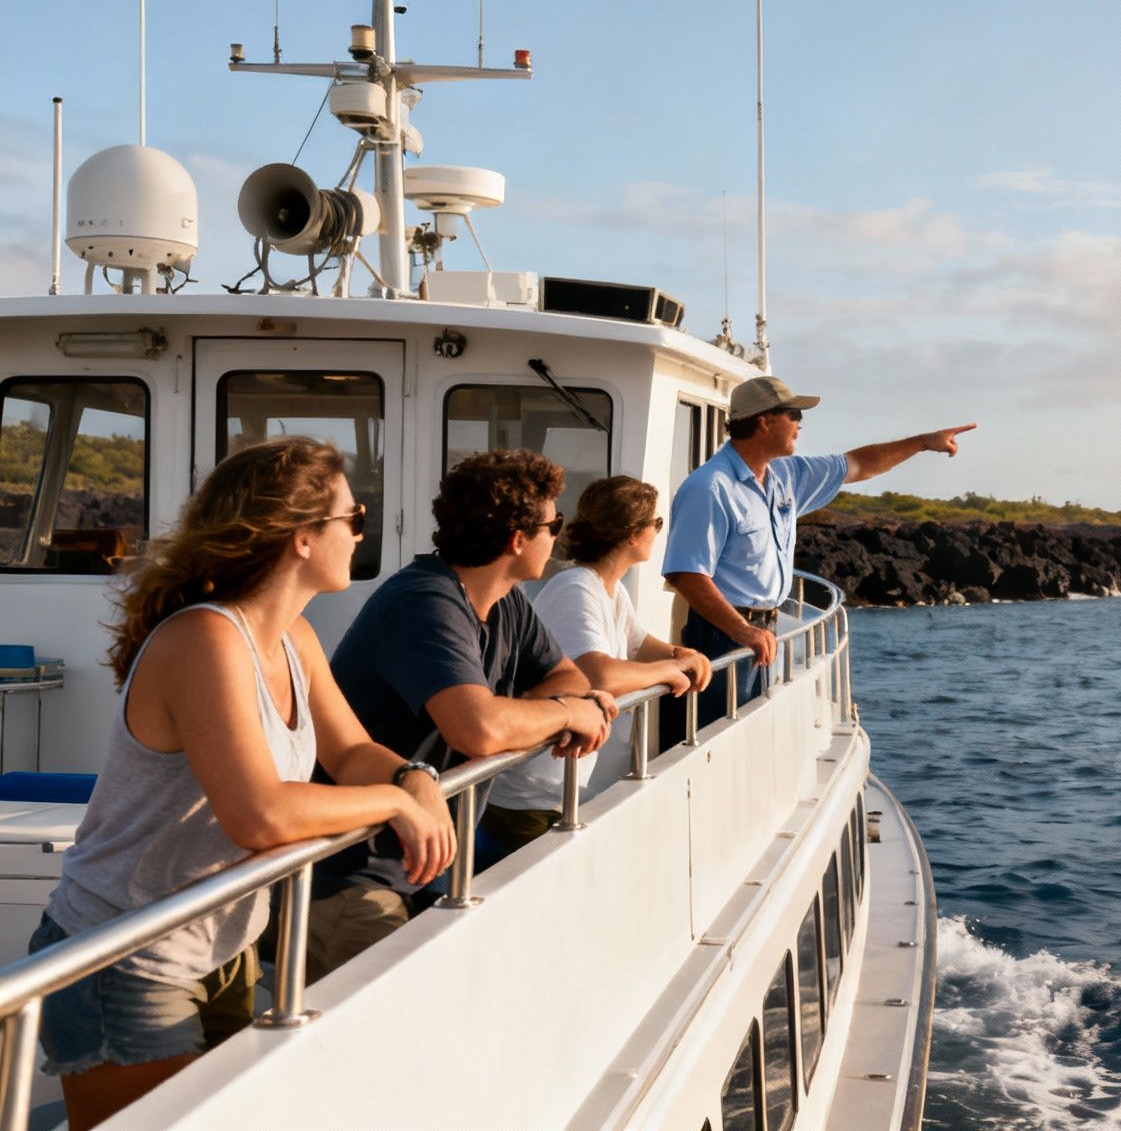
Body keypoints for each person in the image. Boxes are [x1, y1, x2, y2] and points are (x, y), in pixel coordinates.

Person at [28, 438, 456, 1130]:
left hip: (220, 944)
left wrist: (414, 777)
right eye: (354, 516)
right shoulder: (205, 640)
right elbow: (258, 815)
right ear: (302, 538)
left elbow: (350, 751)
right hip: (127, 957)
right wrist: (394, 802)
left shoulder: (294, 637)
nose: (361, 531)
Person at [305, 449, 616, 979]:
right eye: (552, 525)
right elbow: (478, 729)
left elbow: (569, 679)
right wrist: (565, 714)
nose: (558, 538)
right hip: (354, 875)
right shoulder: (426, 602)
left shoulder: (504, 601)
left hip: (423, 864)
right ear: (518, 539)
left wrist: (558, 708)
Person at [662, 375, 974, 727]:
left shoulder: (785, 475)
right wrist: (741, 631)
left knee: (752, 731)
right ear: (763, 420)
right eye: (793, 414)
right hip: (722, 635)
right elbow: (685, 573)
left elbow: (859, 464)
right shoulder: (710, 486)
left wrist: (922, 442)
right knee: (718, 736)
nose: (800, 423)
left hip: (761, 632)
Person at [486, 476, 712, 851]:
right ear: (634, 535)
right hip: (529, 797)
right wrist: (670, 672)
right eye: (656, 524)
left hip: (559, 786)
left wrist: (681, 655)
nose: (658, 532)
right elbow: (597, 674)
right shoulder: (576, 588)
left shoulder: (609, 587)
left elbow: (638, 645)